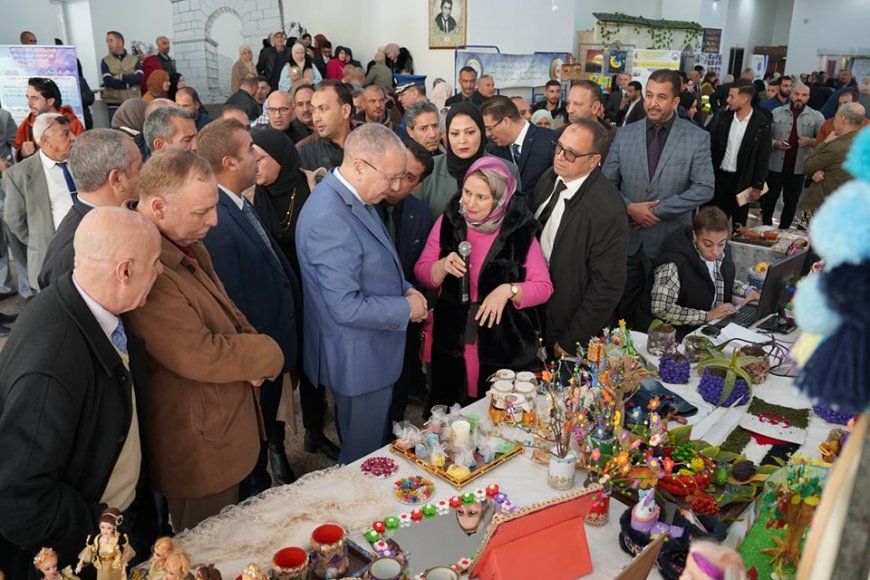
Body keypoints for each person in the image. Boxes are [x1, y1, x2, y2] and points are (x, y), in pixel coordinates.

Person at [126, 149, 284, 531]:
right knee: (208, 550)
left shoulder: (181, 239)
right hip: (199, 450)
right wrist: (267, 353)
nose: (213, 221)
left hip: (221, 430)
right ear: (160, 207)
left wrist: (248, 347)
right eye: (201, 212)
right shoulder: (145, 261)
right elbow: (200, 353)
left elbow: (228, 309)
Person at [0, 207, 161, 579]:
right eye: (154, 263)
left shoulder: (81, 307)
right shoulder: (51, 365)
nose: (160, 272)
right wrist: (106, 532)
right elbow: (17, 498)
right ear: (124, 271)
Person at [295, 124, 427, 464]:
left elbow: (376, 263)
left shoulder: (353, 197)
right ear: (359, 166)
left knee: (367, 446)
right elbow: (345, 306)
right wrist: (405, 308)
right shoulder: (330, 216)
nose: (397, 187)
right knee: (361, 459)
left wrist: (406, 286)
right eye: (392, 177)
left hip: (366, 354)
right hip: (359, 360)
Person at [198, 120, 303, 489]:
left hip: (268, 350)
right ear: (229, 162)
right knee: (251, 458)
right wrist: (253, 359)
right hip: (253, 363)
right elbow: (231, 306)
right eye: (250, 151)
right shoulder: (217, 220)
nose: (258, 156)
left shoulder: (241, 203)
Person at [414, 156, 552, 409]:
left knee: (497, 418)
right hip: (453, 340)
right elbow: (422, 272)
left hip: (501, 344)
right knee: (452, 423)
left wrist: (509, 290)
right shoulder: (449, 221)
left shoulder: (518, 232)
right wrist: (442, 266)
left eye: (482, 197)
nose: (470, 203)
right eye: (467, 192)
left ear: (500, 200)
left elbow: (543, 287)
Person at [601, 69, 715, 330]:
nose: (652, 103)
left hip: (670, 242)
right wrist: (630, 207)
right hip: (628, 241)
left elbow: (704, 188)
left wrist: (658, 210)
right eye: (649, 95)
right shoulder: (625, 134)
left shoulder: (697, 137)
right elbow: (606, 182)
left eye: (661, 97)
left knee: (660, 319)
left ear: (676, 101)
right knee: (620, 313)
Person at [250, 128, 339, 461]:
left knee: (312, 368)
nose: (253, 165)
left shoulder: (313, 188)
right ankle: (276, 449)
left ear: (281, 157)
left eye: (260, 158)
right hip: (273, 302)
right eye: (251, 157)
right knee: (275, 374)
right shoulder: (249, 195)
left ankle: (315, 434)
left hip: (311, 296)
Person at [532, 120, 629, 355]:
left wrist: (572, 340)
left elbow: (607, 287)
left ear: (595, 160)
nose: (560, 156)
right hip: (536, 311)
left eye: (572, 153)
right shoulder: (550, 178)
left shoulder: (607, 211)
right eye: (559, 146)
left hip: (567, 325)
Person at [39, 130, 143, 288]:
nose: (144, 176)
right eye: (139, 168)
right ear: (116, 179)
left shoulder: (100, 221)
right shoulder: (72, 256)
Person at [378, 140, 434, 423]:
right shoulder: (366, 204)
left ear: (419, 184)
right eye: (397, 173)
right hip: (372, 314)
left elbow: (421, 267)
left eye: (409, 178)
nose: (397, 185)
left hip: (407, 317)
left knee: (401, 381)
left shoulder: (421, 214)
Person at [651, 207, 759, 340]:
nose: (715, 251)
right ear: (695, 236)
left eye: (721, 244)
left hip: (713, 329)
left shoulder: (724, 254)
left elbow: (723, 281)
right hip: (681, 336)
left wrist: (748, 291)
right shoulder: (674, 263)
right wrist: (707, 316)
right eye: (708, 244)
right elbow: (661, 308)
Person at [3, 113, 77, 292]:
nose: (73, 138)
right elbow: (13, 219)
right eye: (65, 134)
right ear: (45, 140)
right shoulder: (19, 175)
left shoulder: (81, 162)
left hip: (89, 249)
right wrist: (38, 240)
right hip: (52, 257)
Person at [417, 102, 520, 218]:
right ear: (447, 136)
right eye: (455, 133)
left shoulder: (507, 170)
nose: (462, 140)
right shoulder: (429, 169)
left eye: (470, 132)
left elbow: (516, 220)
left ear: (481, 132)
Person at [707, 79, 772, 226]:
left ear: (744, 99)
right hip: (719, 180)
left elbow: (763, 157)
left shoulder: (762, 123)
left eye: (732, 96)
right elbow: (710, 145)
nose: (727, 100)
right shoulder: (722, 117)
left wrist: (758, 186)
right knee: (715, 223)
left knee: (739, 225)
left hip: (743, 182)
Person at [762, 82, 824, 229]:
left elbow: (824, 141)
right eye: (796, 94)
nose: (799, 98)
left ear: (808, 98)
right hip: (775, 165)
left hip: (798, 168)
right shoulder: (776, 112)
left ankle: (784, 229)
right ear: (791, 94)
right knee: (769, 199)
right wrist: (776, 143)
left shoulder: (816, 116)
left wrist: (810, 141)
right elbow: (764, 138)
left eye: (803, 95)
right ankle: (765, 227)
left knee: (791, 202)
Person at [482, 95, 557, 207]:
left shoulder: (551, 142)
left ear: (506, 121)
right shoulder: (493, 151)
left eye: (489, 128)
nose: (488, 134)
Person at [800, 102, 866, 219]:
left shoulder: (836, 147)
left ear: (842, 120)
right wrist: (817, 170)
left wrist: (824, 143)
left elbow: (808, 165)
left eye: (835, 117)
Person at [14, 77, 85, 161]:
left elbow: (83, 155)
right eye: (28, 97)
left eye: (34, 98)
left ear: (50, 101)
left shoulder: (73, 124)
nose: (29, 103)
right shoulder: (27, 124)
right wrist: (22, 153)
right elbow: (17, 152)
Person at [297, 80, 354, 172]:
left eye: (323, 109)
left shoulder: (370, 144)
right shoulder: (303, 151)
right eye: (313, 110)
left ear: (345, 111)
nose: (316, 118)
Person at [74, 507, 135, 580]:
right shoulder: (97, 539)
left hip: (116, 567)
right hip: (102, 567)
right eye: (102, 527)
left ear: (114, 527)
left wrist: (124, 565)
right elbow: (87, 552)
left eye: (108, 528)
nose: (105, 531)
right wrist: (80, 565)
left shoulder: (119, 539)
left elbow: (127, 551)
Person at [101, 31, 144, 113]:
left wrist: (120, 77)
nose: (108, 44)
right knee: (116, 126)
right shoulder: (105, 61)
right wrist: (129, 82)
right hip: (114, 103)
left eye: (111, 40)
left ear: (120, 42)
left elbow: (139, 78)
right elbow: (108, 81)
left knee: (134, 125)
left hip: (132, 101)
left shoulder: (134, 60)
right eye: (107, 41)